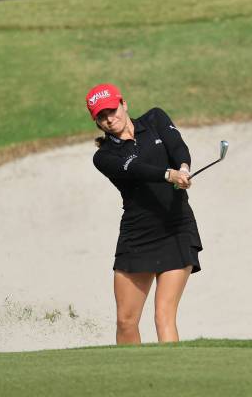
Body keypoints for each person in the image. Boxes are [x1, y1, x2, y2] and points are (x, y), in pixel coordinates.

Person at [86, 83, 203, 345]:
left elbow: (177, 146)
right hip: (137, 235)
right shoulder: (105, 156)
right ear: (96, 122)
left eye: (112, 110)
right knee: (126, 322)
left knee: (163, 315)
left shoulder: (155, 119)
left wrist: (183, 167)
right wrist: (168, 174)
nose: (109, 118)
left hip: (176, 228)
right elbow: (135, 168)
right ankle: (133, 378)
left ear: (124, 104)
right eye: (101, 116)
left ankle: (172, 377)